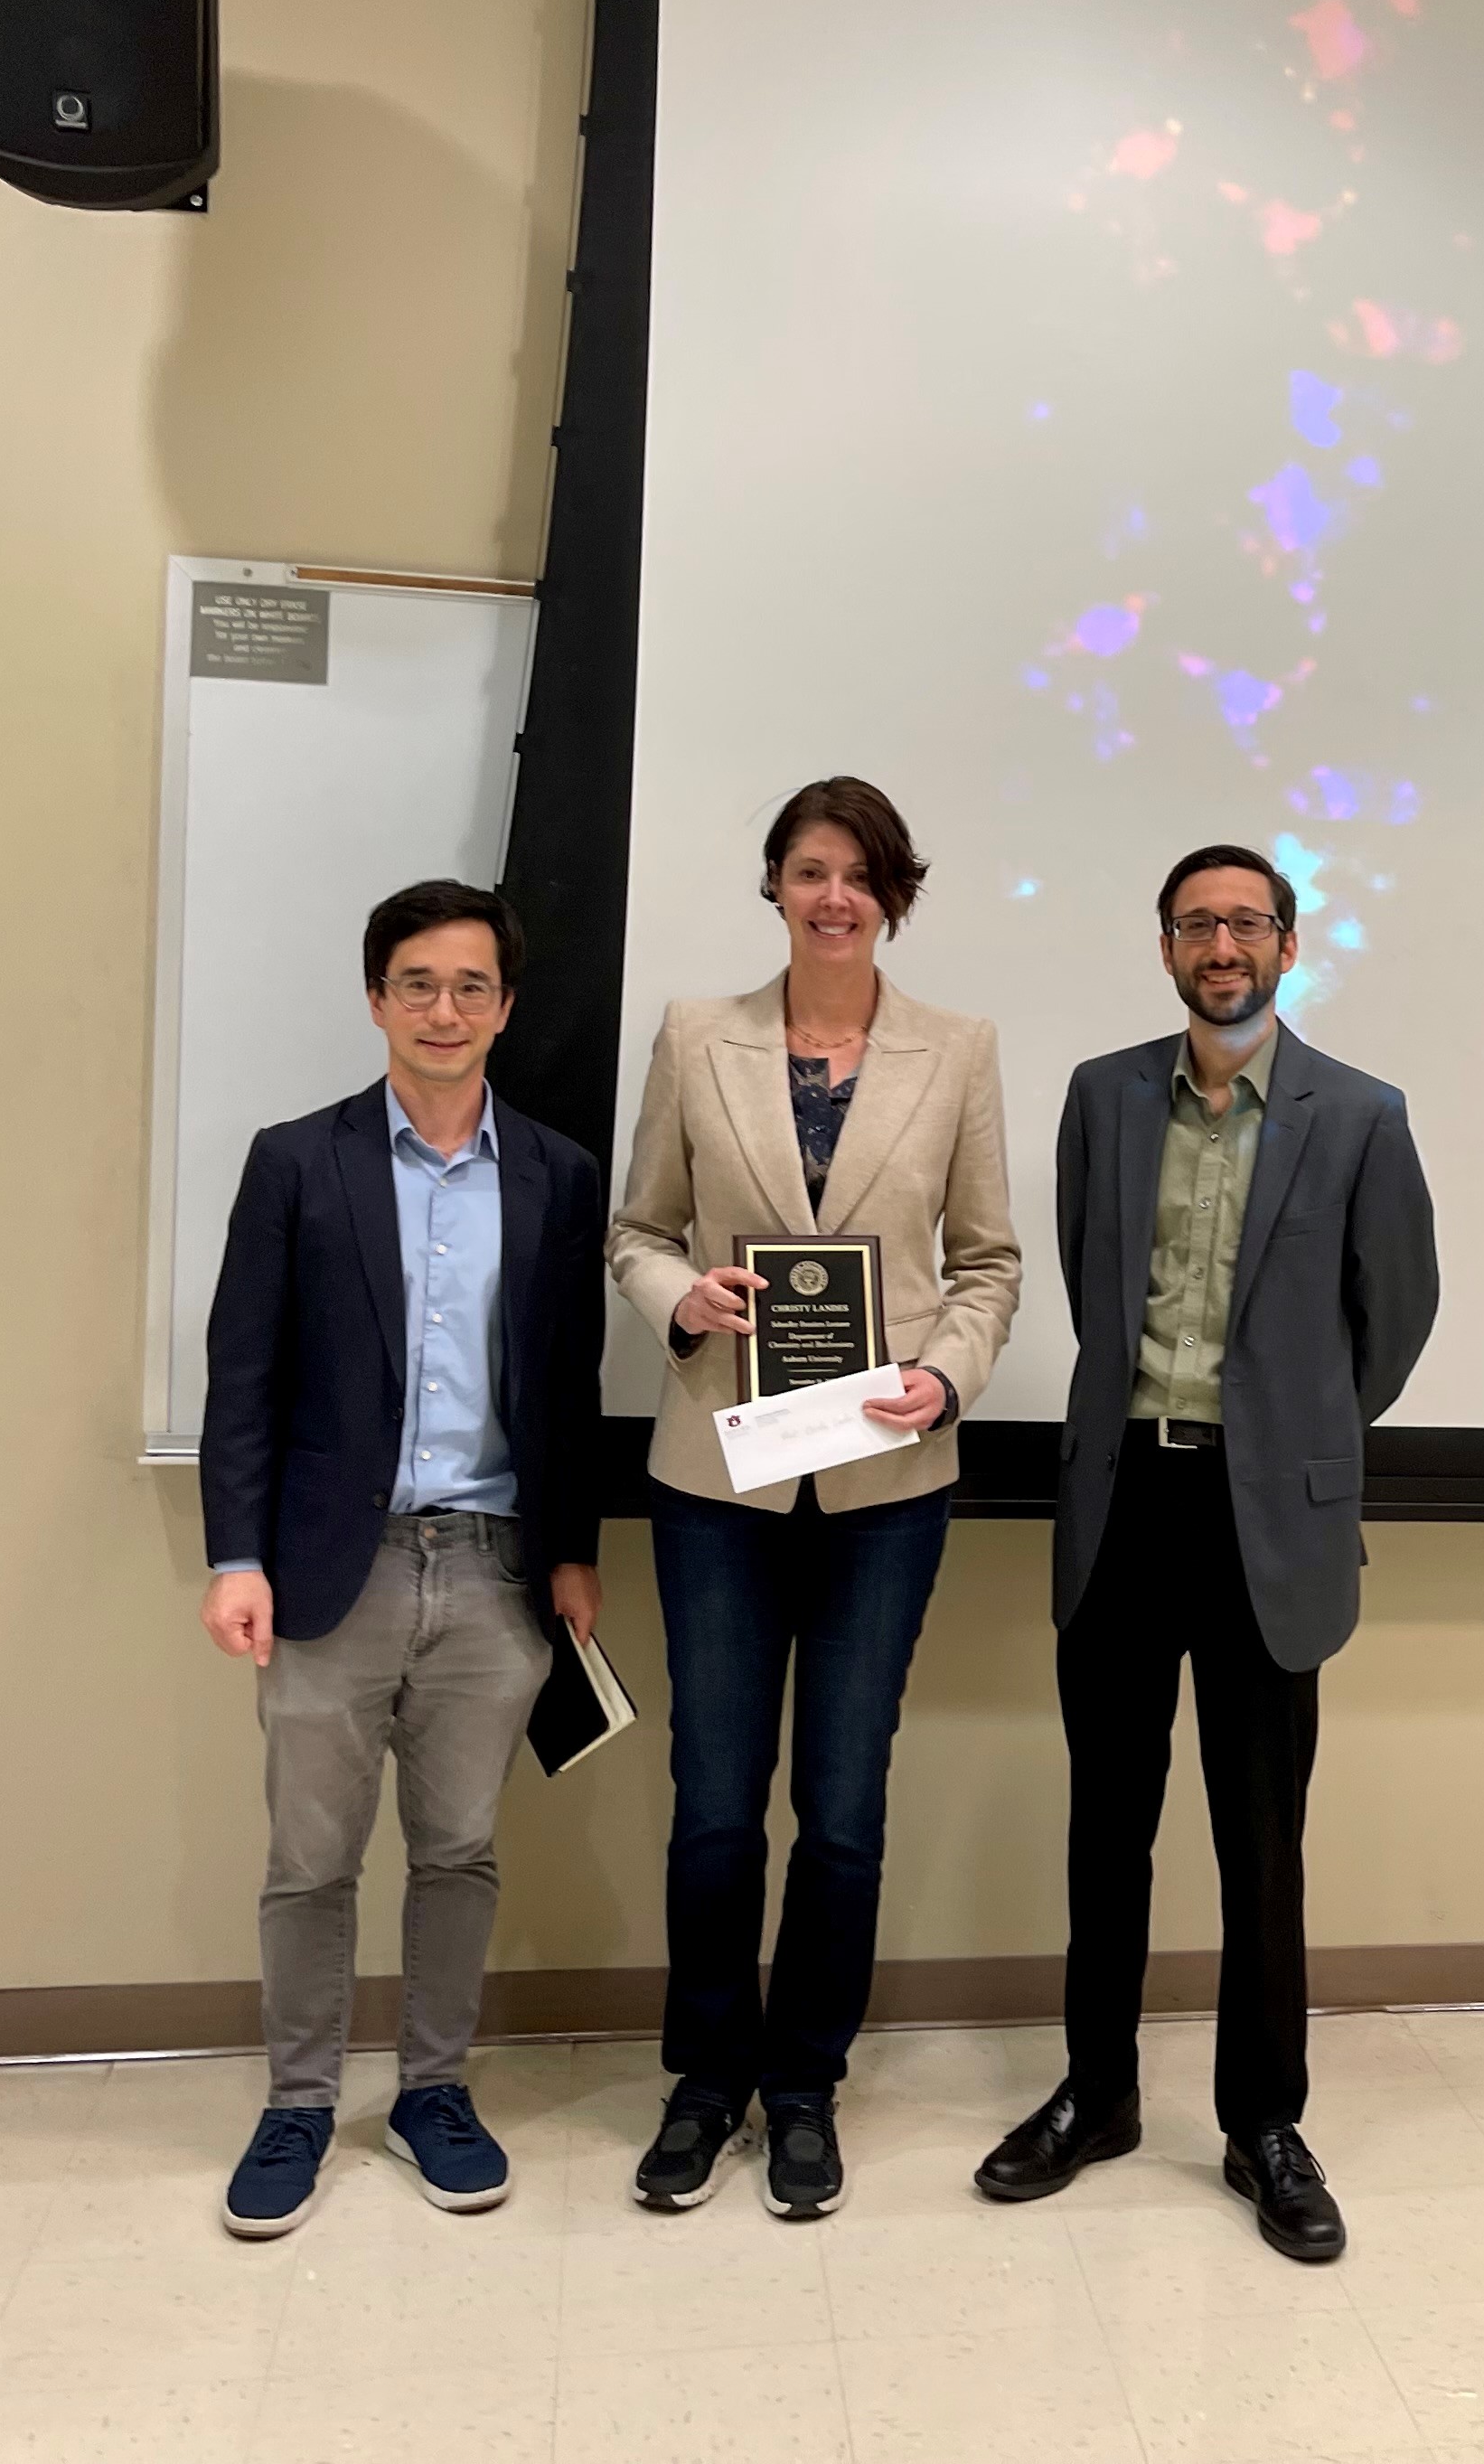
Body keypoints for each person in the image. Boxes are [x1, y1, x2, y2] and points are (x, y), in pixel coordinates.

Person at [974, 842, 1439, 2261]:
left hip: (1263, 1525)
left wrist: (1288, 1436)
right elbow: (1082, 1273)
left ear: (1289, 946)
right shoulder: (1102, 1099)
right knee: (1105, 1827)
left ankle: (1262, 2125)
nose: (1221, 943)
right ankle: (1099, 2095)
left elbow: (1395, 1317)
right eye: (1197, 923)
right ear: (1165, 946)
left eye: (1246, 922)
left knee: (1261, 1842)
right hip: (1126, 1504)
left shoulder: (1361, 1115)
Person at [606, 777, 1021, 2218]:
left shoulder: (957, 1051)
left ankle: (803, 2089)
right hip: (718, 1472)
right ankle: (704, 2080)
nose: (832, 895)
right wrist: (685, 1297)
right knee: (716, 1801)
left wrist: (948, 1379)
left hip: (888, 1479)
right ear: (774, 886)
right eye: (807, 870)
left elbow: (989, 1263)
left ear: (891, 893)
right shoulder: (691, 1038)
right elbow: (637, 1227)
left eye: (858, 875)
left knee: (843, 1806)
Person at [196, 879, 610, 2240]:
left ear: (506, 1007)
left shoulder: (556, 1173)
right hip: (331, 1570)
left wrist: (571, 1558)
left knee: (461, 1852)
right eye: (418, 984)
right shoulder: (295, 1162)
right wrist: (235, 1556)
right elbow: (241, 1381)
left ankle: (435, 2090)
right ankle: (300, 2105)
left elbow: (564, 1385)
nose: (446, 1010)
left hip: (494, 1568)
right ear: (377, 998)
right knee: (311, 1861)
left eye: (472, 987)